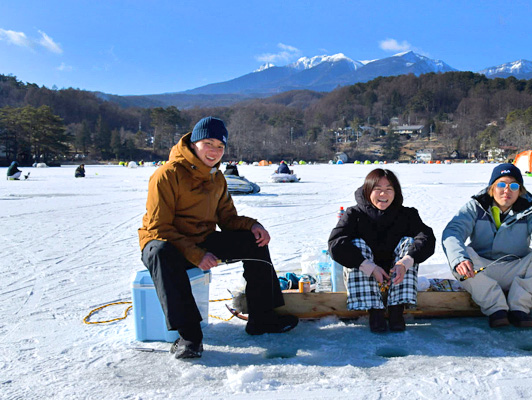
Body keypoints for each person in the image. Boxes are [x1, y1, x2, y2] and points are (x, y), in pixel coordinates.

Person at [138, 116, 297, 360]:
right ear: (194, 143)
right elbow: (160, 227)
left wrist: (253, 225)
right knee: (161, 253)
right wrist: (196, 255)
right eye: (208, 144)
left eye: (220, 146)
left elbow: (228, 219)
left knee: (253, 243)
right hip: (165, 242)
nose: (214, 151)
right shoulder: (166, 175)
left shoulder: (216, 178)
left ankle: (262, 318)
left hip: (202, 238)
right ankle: (189, 337)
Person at [442, 163, 532, 329]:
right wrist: (459, 259)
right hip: (482, 270)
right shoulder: (475, 207)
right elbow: (453, 231)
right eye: (501, 184)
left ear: (520, 190)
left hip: (516, 269)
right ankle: (496, 309)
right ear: (492, 188)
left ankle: (519, 307)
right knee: (459, 257)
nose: (507, 190)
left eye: (513, 186)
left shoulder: (531, 211)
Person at [328, 168, 435, 333]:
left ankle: (397, 309)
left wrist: (404, 263)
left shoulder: (407, 214)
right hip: (365, 274)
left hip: (395, 273)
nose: (383, 194)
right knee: (355, 244)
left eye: (388, 189)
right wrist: (369, 267)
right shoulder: (353, 214)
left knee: (410, 243)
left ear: (396, 192)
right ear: (368, 191)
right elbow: (335, 244)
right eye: (377, 189)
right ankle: (375, 311)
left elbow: (427, 238)